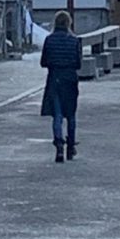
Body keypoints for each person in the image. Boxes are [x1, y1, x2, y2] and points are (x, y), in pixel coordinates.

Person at [40, 10, 82, 162]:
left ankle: (58, 145)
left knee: (57, 115)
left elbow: (43, 62)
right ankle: (71, 147)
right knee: (71, 115)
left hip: (55, 79)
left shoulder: (49, 40)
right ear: (68, 23)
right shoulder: (74, 40)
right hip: (70, 80)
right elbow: (78, 63)